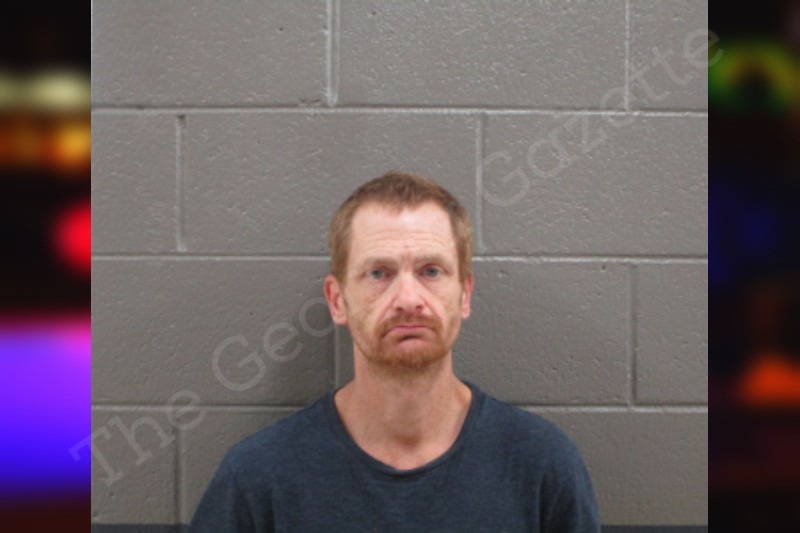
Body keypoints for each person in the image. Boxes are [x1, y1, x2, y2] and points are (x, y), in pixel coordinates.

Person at [189, 171, 600, 532]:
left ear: (465, 294)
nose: (408, 299)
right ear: (337, 300)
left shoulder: (543, 469)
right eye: (379, 273)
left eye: (431, 271)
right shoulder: (258, 478)